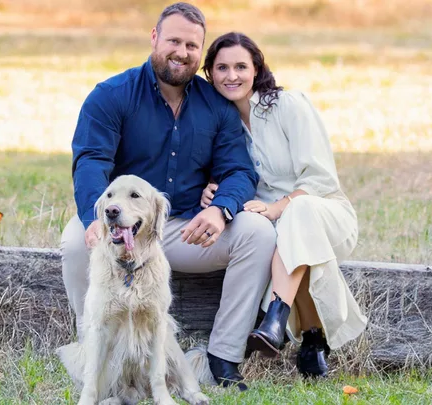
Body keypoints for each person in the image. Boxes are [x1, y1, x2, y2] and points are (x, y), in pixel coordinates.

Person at [60, 4, 277, 391]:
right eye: (174, 40)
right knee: (76, 241)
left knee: (257, 233)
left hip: (187, 230)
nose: (182, 51)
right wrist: (96, 218)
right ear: (154, 38)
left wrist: (222, 210)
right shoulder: (112, 96)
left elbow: (240, 171)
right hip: (125, 231)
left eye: (193, 45)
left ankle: (223, 357)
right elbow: (91, 160)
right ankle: (98, 354)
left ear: (201, 51)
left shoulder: (215, 105)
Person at [200, 32, 368, 378]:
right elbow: (229, 177)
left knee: (298, 214)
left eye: (241, 66)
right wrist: (211, 191)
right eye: (222, 68)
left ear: (257, 68)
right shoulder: (222, 126)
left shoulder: (288, 105)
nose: (232, 76)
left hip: (326, 214)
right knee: (289, 239)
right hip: (283, 233)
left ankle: (276, 316)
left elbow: (321, 180)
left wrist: (279, 206)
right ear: (210, 74)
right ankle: (312, 341)